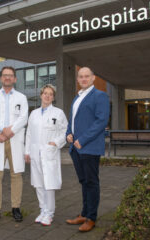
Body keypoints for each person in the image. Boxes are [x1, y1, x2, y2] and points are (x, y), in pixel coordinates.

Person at [65, 67, 110, 232]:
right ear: (78, 79)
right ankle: (84, 214)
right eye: (81, 77)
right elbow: (72, 120)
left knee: (91, 183)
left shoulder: (100, 96)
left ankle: (91, 218)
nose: (84, 79)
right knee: (84, 182)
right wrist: (68, 134)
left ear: (93, 78)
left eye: (87, 76)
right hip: (76, 148)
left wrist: (82, 140)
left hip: (89, 147)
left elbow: (101, 121)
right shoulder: (77, 97)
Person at [0, 66, 28, 223]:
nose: (7, 78)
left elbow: (23, 118)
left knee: (16, 175)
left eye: (10, 75)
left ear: (15, 79)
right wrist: (2, 130)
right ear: (1, 79)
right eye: (5, 75)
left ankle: (16, 208)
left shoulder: (22, 98)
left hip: (14, 140)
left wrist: (8, 132)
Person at [24, 84, 67, 226]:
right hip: (35, 153)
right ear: (41, 95)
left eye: (50, 94)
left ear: (53, 97)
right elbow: (29, 133)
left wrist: (56, 142)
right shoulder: (34, 113)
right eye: (45, 93)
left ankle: (50, 213)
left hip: (49, 153)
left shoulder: (58, 113)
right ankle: (42, 209)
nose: (47, 96)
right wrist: (27, 151)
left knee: (49, 184)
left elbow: (65, 132)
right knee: (38, 184)